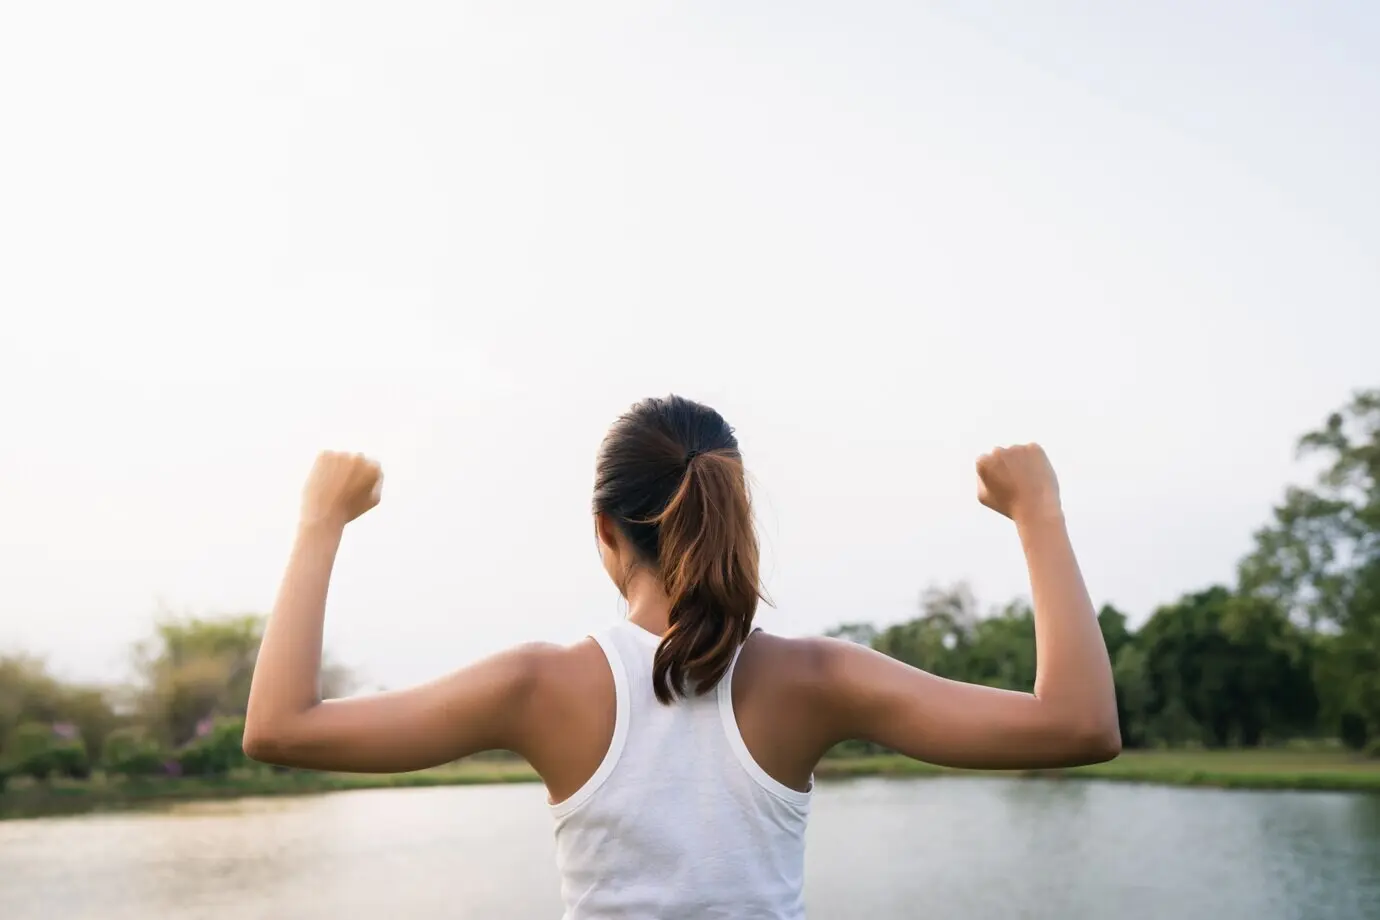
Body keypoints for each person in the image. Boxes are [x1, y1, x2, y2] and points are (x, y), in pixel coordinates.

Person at [244, 394, 1120, 919]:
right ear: (733, 517)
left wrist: (320, 519)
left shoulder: (538, 687)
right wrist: (1037, 510)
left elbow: (280, 729)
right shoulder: (815, 682)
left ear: (604, 533)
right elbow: (1080, 727)